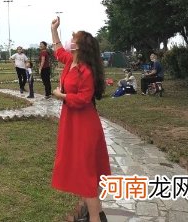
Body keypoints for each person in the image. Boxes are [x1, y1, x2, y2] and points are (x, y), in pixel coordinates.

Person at [50, 17, 110, 222]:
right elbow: (58, 50)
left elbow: (84, 98)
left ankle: (95, 217)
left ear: (80, 46)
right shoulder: (70, 61)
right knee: (80, 169)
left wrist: (62, 96)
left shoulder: (86, 70)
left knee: (86, 174)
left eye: (74, 37)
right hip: (72, 122)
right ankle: (96, 214)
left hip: (84, 124)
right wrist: (54, 30)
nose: (70, 39)